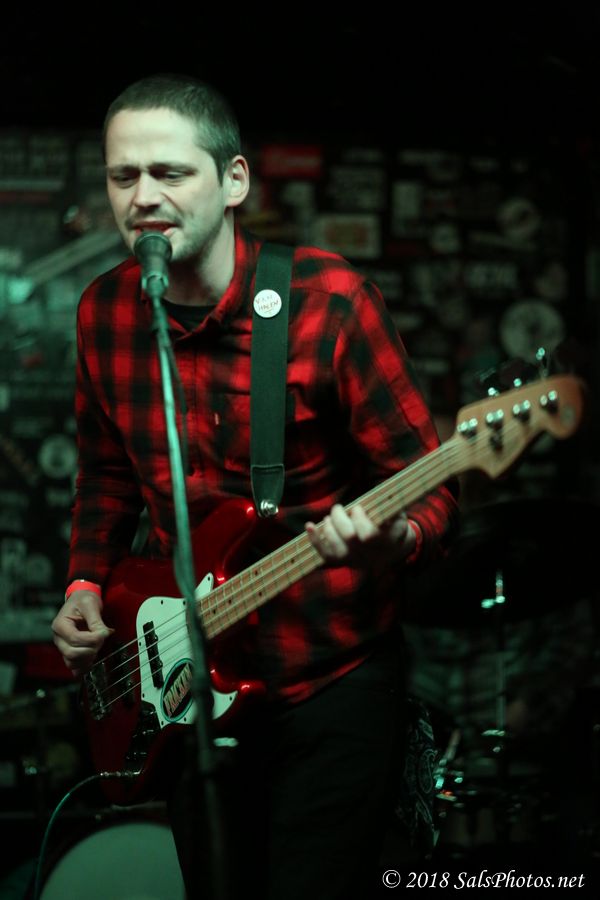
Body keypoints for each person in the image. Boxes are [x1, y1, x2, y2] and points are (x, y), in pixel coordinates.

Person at [51, 73, 458, 899]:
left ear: (233, 180)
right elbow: (104, 475)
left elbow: (432, 485)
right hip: (188, 686)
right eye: (124, 176)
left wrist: (394, 537)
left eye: (170, 172)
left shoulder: (328, 303)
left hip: (330, 676)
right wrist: (86, 582)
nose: (143, 196)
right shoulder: (105, 313)